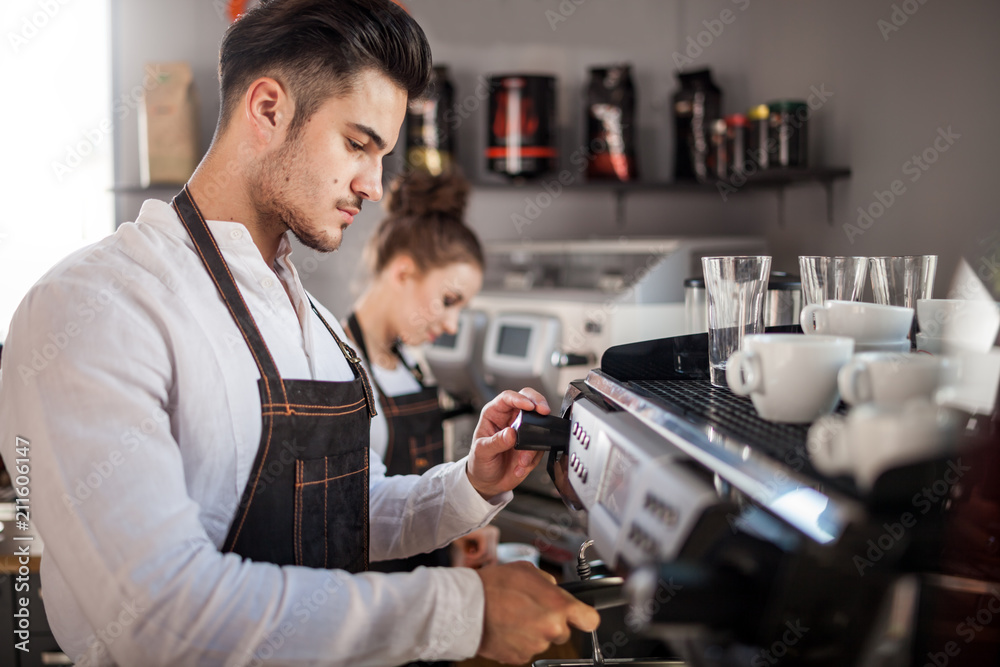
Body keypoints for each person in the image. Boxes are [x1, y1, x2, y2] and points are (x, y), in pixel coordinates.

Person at [0, 1, 598, 666]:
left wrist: (469, 484)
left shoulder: (309, 317)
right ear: (268, 109)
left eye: (383, 155)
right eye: (357, 144)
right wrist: (464, 612)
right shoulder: (95, 306)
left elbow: (341, 512)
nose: (374, 186)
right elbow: (159, 615)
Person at [345, 169, 496, 667]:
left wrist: (452, 536)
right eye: (449, 300)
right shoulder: (341, 367)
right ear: (403, 272)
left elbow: (413, 500)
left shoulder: (412, 363)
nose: (452, 323)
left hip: (430, 606)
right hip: (377, 623)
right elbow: (354, 521)